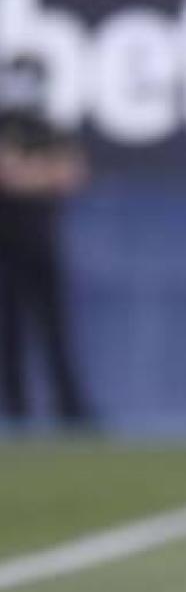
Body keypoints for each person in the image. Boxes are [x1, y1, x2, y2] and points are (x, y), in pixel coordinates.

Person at [0, 54, 92, 430]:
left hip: (43, 242)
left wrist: (28, 171)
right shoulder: (6, 126)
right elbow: (9, 176)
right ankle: (17, 408)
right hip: (6, 245)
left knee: (56, 328)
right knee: (10, 330)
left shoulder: (51, 128)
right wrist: (42, 173)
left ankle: (70, 408)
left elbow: (72, 174)